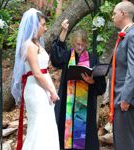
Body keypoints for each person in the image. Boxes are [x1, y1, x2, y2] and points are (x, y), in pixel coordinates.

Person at [50, 19, 106, 150]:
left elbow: (100, 84)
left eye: (81, 44)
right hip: (67, 101)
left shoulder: (92, 58)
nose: (79, 47)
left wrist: (92, 82)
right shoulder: (68, 55)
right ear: (73, 43)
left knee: (85, 137)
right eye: (76, 44)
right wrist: (64, 31)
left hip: (85, 103)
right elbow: (56, 59)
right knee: (65, 131)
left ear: (86, 43)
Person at [11, 8, 60, 150]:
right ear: (34, 25)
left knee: (47, 124)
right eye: (43, 24)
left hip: (43, 87)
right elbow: (37, 73)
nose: (45, 28)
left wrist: (50, 89)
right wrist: (53, 91)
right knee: (39, 125)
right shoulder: (28, 45)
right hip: (36, 89)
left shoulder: (37, 43)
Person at [110, 1, 134, 150]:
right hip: (119, 98)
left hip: (126, 101)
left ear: (123, 14)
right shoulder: (126, 35)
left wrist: (125, 98)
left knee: (126, 145)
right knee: (121, 143)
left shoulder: (133, 36)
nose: (112, 17)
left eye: (114, 13)